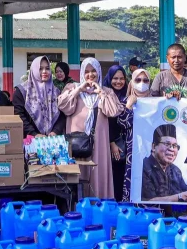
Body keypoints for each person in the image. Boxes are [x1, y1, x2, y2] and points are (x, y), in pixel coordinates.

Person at [58, 58, 124, 198]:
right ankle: (76, 207)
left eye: (93, 71)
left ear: (99, 72)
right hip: (76, 141)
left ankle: (98, 206)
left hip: (98, 142)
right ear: (82, 73)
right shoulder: (72, 87)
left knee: (97, 171)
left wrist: (100, 92)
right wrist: (78, 90)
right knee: (77, 171)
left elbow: (113, 111)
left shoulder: (106, 91)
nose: (90, 75)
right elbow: (63, 106)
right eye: (86, 72)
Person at [139, 123, 187, 203]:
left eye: (175, 146)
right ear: (154, 147)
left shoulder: (175, 171)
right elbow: (147, 202)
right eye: (167, 144)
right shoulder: (143, 167)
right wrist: (183, 196)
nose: (172, 149)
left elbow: (185, 194)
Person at [118, 68, 151, 202]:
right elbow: (122, 123)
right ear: (132, 82)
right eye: (138, 80)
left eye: (145, 80)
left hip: (151, 150)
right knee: (132, 180)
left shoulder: (157, 103)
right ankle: (131, 213)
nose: (142, 83)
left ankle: (153, 213)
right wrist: (129, 105)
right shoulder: (124, 101)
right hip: (132, 152)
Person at [13, 56, 65, 136]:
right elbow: (19, 115)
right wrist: (34, 134)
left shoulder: (56, 92)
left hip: (52, 141)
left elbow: (62, 114)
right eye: (40, 68)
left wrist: (55, 131)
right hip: (29, 141)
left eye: (47, 68)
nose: (44, 71)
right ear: (34, 70)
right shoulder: (22, 91)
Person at [104, 64, 130, 197]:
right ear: (109, 78)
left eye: (121, 78)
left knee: (124, 176)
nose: (118, 82)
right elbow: (104, 122)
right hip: (111, 144)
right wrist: (112, 143)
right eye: (115, 78)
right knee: (112, 176)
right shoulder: (104, 95)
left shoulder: (129, 95)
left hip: (127, 144)